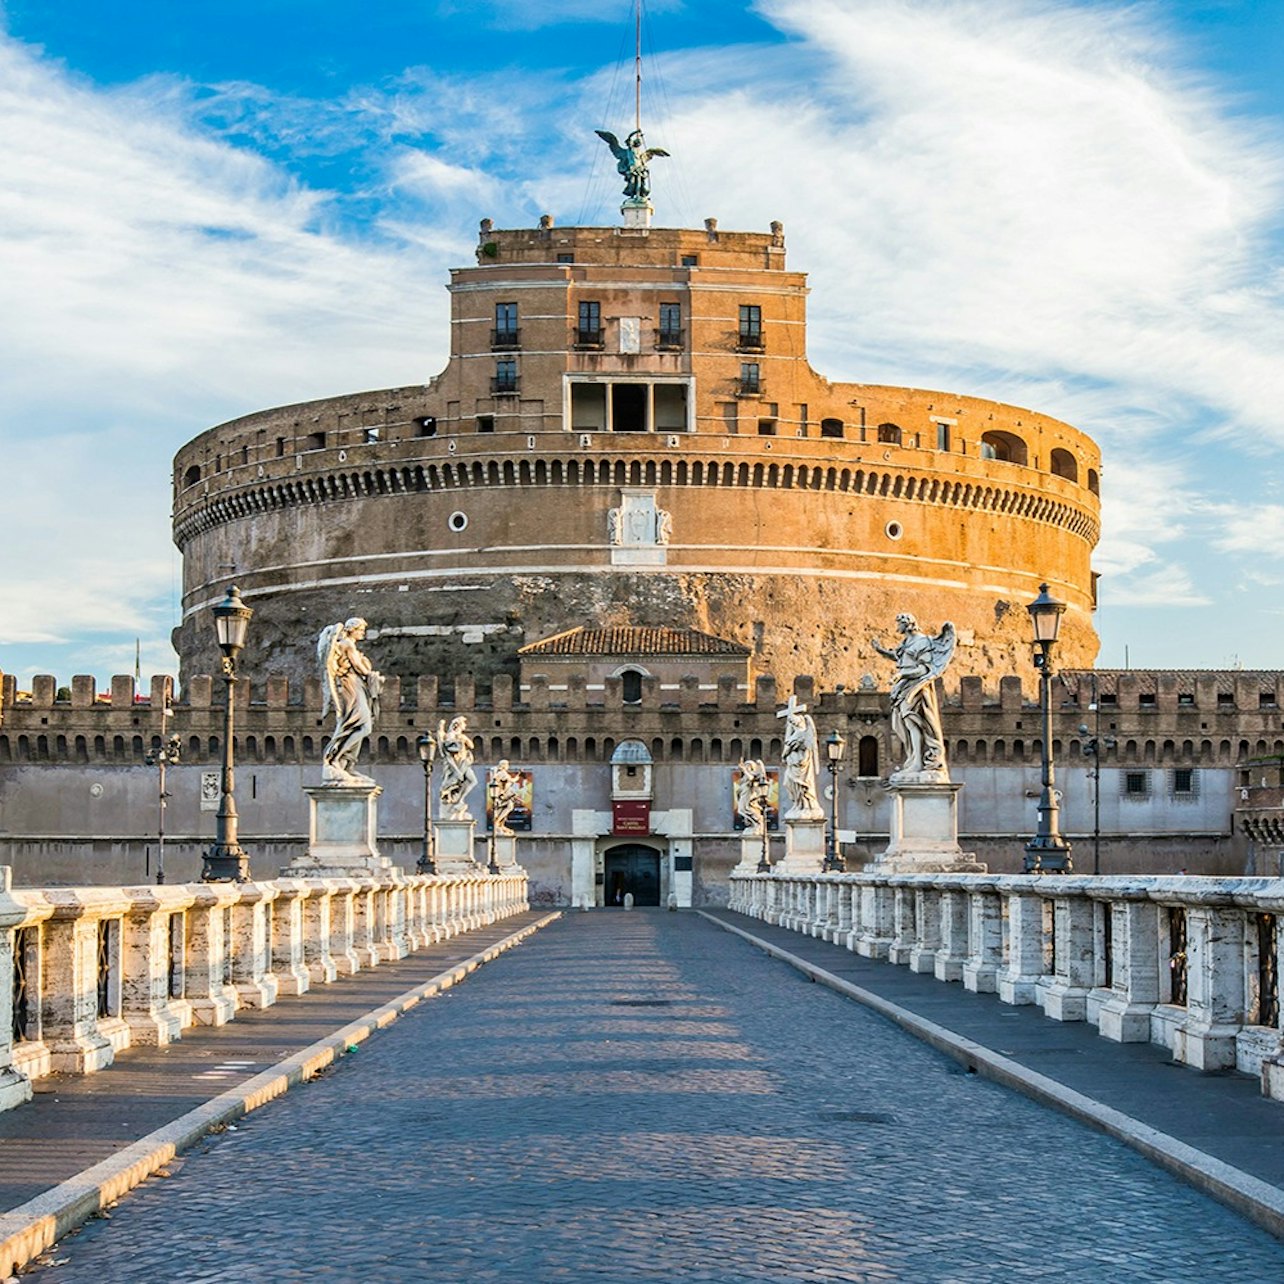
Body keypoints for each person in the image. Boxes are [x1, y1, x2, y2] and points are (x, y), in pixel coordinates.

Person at [871, 613, 955, 778]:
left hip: (916, 688)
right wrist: (880, 650)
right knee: (901, 725)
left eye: (899, 623)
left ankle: (917, 762)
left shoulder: (923, 641)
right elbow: (899, 656)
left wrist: (901, 675)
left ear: (907, 623)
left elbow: (924, 669)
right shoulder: (907, 642)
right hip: (903, 688)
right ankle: (913, 759)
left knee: (913, 723)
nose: (897, 627)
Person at [317, 618, 382, 784]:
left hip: (356, 685)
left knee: (360, 726)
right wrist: (372, 675)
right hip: (350, 686)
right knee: (362, 725)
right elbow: (359, 666)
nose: (362, 633)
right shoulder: (347, 644)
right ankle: (336, 759)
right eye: (360, 629)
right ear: (352, 629)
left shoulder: (348, 644)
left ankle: (348, 765)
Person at [778, 695, 823, 820]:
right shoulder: (795, 733)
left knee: (802, 786)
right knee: (788, 783)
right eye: (791, 722)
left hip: (800, 765)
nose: (792, 723)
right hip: (793, 765)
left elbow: (789, 747)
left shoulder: (801, 733)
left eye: (793, 721)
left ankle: (807, 806)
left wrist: (783, 755)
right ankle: (798, 805)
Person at [437, 715, 478, 819]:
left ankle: (460, 800)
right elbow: (448, 753)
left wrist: (463, 738)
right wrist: (455, 770)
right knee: (451, 784)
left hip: (464, 762)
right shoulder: (450, 735)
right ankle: (451, 805)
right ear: (457, 725)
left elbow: (472, 745)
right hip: (455, 765)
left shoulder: (461, 736)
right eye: (463, 723)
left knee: (473, 781)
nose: (465, 725)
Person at [736, 758, 771, 836]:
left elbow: (751, 778)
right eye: (745, 765)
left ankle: (758, 823)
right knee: (741, 810)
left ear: (752, 767)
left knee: (747, 810)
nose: (746, 767)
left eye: (748, 766)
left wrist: (744, 770)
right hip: (743, 796)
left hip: (749, 797)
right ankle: (753, 824)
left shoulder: (753, 774)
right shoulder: (744, 778)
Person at [489, 759, 522, 835]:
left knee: (508, 808)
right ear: (504, 765)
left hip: (504, 794)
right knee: (509, 806)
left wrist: (517, 776)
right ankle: (497, 822)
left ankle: (500, 824)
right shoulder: (502, 773)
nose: (508, 766)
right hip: (502, 795)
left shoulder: (503, 773)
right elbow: (508, 780)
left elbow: (510, 781)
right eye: (507, 765)